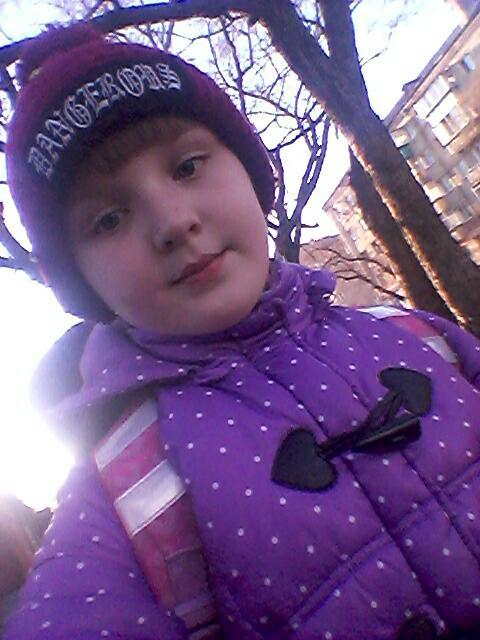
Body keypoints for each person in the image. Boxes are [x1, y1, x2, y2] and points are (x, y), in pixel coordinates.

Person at [3, 22, 480, 640]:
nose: (173, 222)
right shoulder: (127, 486)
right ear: (80, 280)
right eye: (109, 219)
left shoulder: (415, 335)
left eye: (187, 166)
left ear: (253, 173)